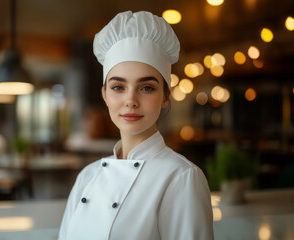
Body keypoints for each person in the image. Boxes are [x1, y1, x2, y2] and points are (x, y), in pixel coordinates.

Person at [58, 11, 214, 240]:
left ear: (165, 96)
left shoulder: (181, 177)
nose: (130, 100)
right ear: (104, 95)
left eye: (147, 87)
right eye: (118, 87)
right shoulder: (87, 177)